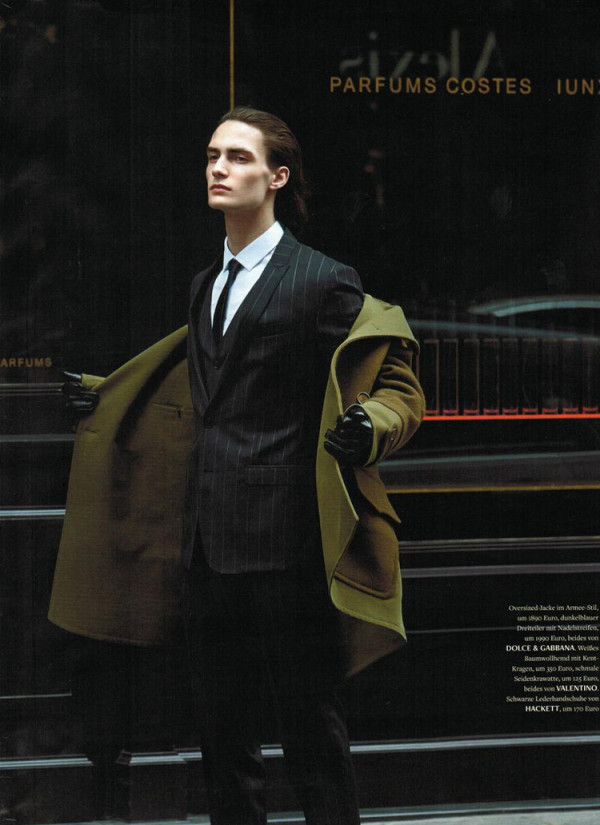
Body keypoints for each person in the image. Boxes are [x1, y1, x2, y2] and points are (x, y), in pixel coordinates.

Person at [50, 107, 425, 825]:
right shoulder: (206, 284)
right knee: (222, 738)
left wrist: (371, 424)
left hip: (287, 548)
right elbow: (195, 386)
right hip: (203, 548)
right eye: (213, 155)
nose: (219, 168)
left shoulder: (322, 280)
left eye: (239, 157)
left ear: (278, 177)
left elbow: (394, 379)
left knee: (311, 731)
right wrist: (108, 396)